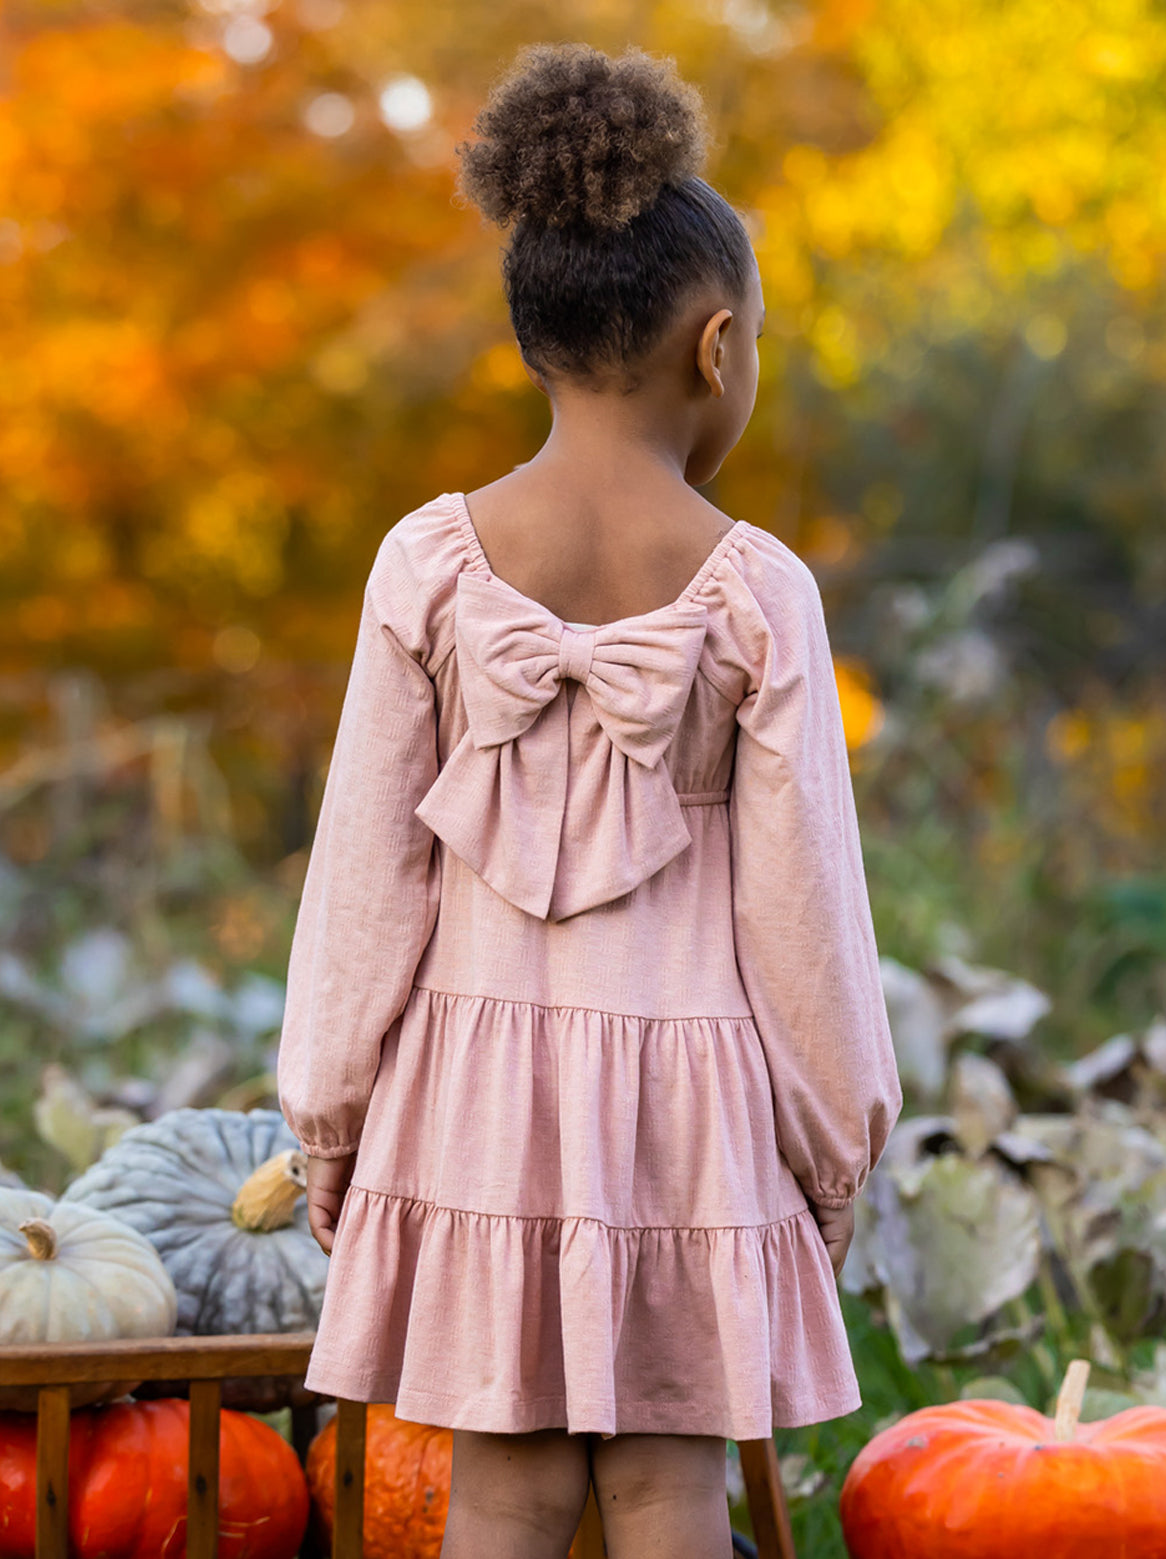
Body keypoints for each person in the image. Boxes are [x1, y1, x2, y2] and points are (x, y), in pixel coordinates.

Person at [276, 41, 903, 1559]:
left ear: (536, 341)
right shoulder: (761, 593)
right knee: (670, 1488)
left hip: (477, 1103)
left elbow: (366, 878)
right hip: (692, 1109)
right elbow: (801, 905)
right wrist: (832, 1139)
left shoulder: (424, 564)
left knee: (500, 1488)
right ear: (718, 345)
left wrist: (333, 1117)